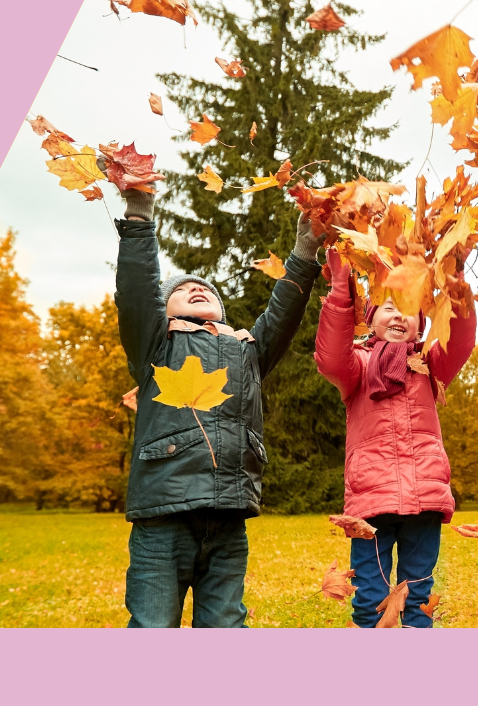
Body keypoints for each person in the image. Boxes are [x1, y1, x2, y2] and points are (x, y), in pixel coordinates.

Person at [111, 184, 322, 627]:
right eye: (183, 289)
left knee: (225, 624)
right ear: (163, 310)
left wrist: (305, 251)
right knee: (152, 625)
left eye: (204, 289)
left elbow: (283, 313)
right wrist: (139, 217)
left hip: (228, 516)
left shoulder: (247, 351)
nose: (195, 288)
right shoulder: (156, 345)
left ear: (223, 312)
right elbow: (137, 292)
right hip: (164, 516)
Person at [313, 253, 476, 627]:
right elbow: (330, 356)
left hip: (425, 496)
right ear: (371, 318)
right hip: (371, 499)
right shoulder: (357, 365)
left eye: (410, 309)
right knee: (370, 596)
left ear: (421, 324)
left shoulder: (430, 365)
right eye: (390, 307)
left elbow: (460, 341)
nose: (400, 316)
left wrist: (455, 281)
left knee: (418, 594)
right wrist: (340, 289)